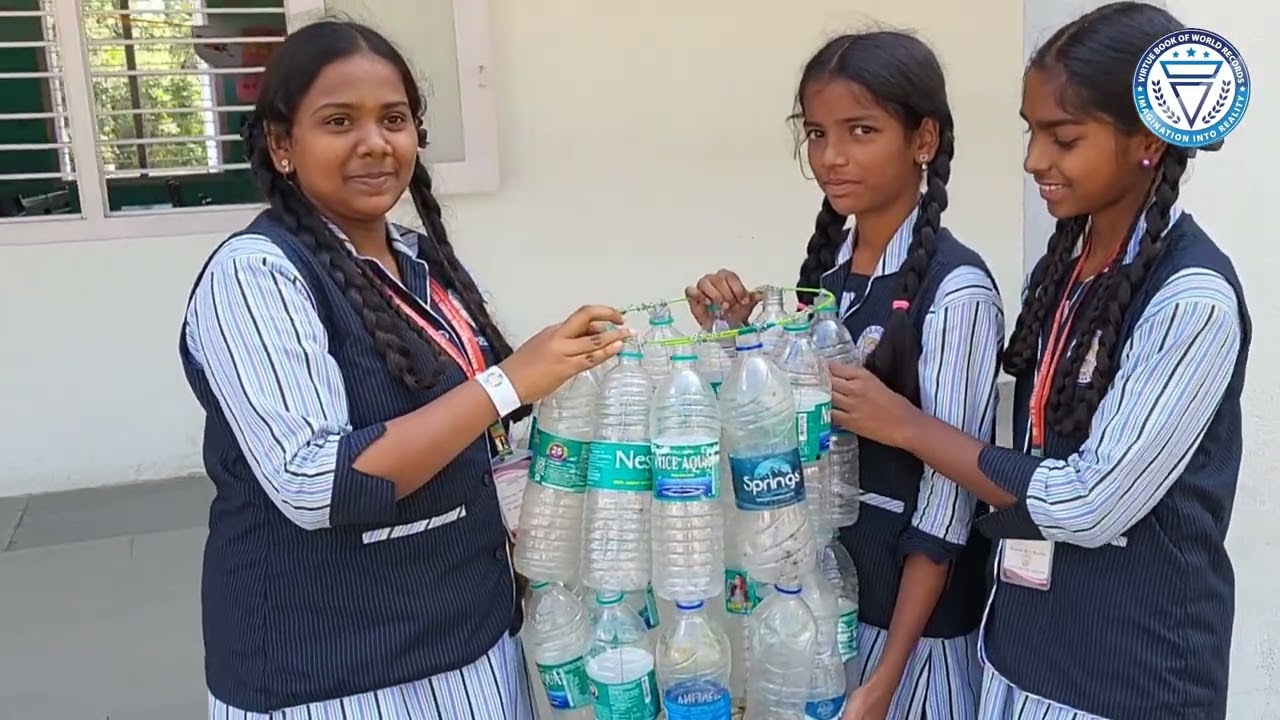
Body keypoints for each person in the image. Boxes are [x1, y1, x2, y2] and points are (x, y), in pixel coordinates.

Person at [178, 20, 629, 719]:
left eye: (393, 119)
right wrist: (508, 382)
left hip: (470, 639)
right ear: (281, 144)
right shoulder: (256, 275)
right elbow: (315, 483)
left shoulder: (418, 260)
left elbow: (478, 431)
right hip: (334, 672)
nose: (374, 143)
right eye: (338, 121)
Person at [829, 3, 1251, 719]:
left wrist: (906, 425)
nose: (1033, 161)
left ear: (1147, 141)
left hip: (1128, 674)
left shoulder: (1191, 300)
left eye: (1063, 137)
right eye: (1032, 132)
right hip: (1019, 652)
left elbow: (1086, 502)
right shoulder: (1062, 274)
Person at [686, 31, 1002, 720]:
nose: (832, 157)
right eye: (818, 133)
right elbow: (786, 446)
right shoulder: (826, 287)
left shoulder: (957, 290)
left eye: (861, 131)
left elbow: (949, 503)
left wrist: (887, 680)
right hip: (828, 605)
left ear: (923, 140)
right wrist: (733, 336)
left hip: (916, 632)